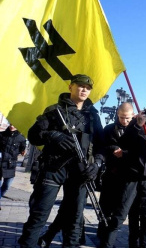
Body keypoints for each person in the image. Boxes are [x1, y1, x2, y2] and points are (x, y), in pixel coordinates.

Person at [18, 74, 104, 248]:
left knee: (74, 218)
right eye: (80, 86)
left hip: (80, 172)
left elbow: (102, 145)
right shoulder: (54, 110)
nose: (84, 90)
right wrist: (53, 135)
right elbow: (34, 135)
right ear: (70, 87)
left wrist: (97, 164)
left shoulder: (93, 117)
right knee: (39, 214)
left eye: (87, 88)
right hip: (54, 168)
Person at [99, 93, 146, 248]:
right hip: (131, 178)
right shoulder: (138, 122)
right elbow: (124, 143)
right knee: (118, 218)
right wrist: (137, 126)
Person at [97, 102, 140, 247]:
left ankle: (111, 237)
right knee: (106, 208)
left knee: (120, 210)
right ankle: (103, 236)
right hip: (111, 174)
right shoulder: (109, 128)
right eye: (122, 118)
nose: (125, 121)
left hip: (128, 175)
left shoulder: (137, 129)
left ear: (133, 115)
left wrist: (126, 154)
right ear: (117, 114)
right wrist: (113, 148)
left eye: (128, 118)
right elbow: (101, 146)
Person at [0, 125, 26, 210]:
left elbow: (22, 150)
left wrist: (23, 152)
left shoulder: (21, 138)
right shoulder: (1, 135)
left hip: (10, 164)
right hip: (0, 163)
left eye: (14, 125)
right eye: (10, 124)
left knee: (7, 185)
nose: (12, 126)